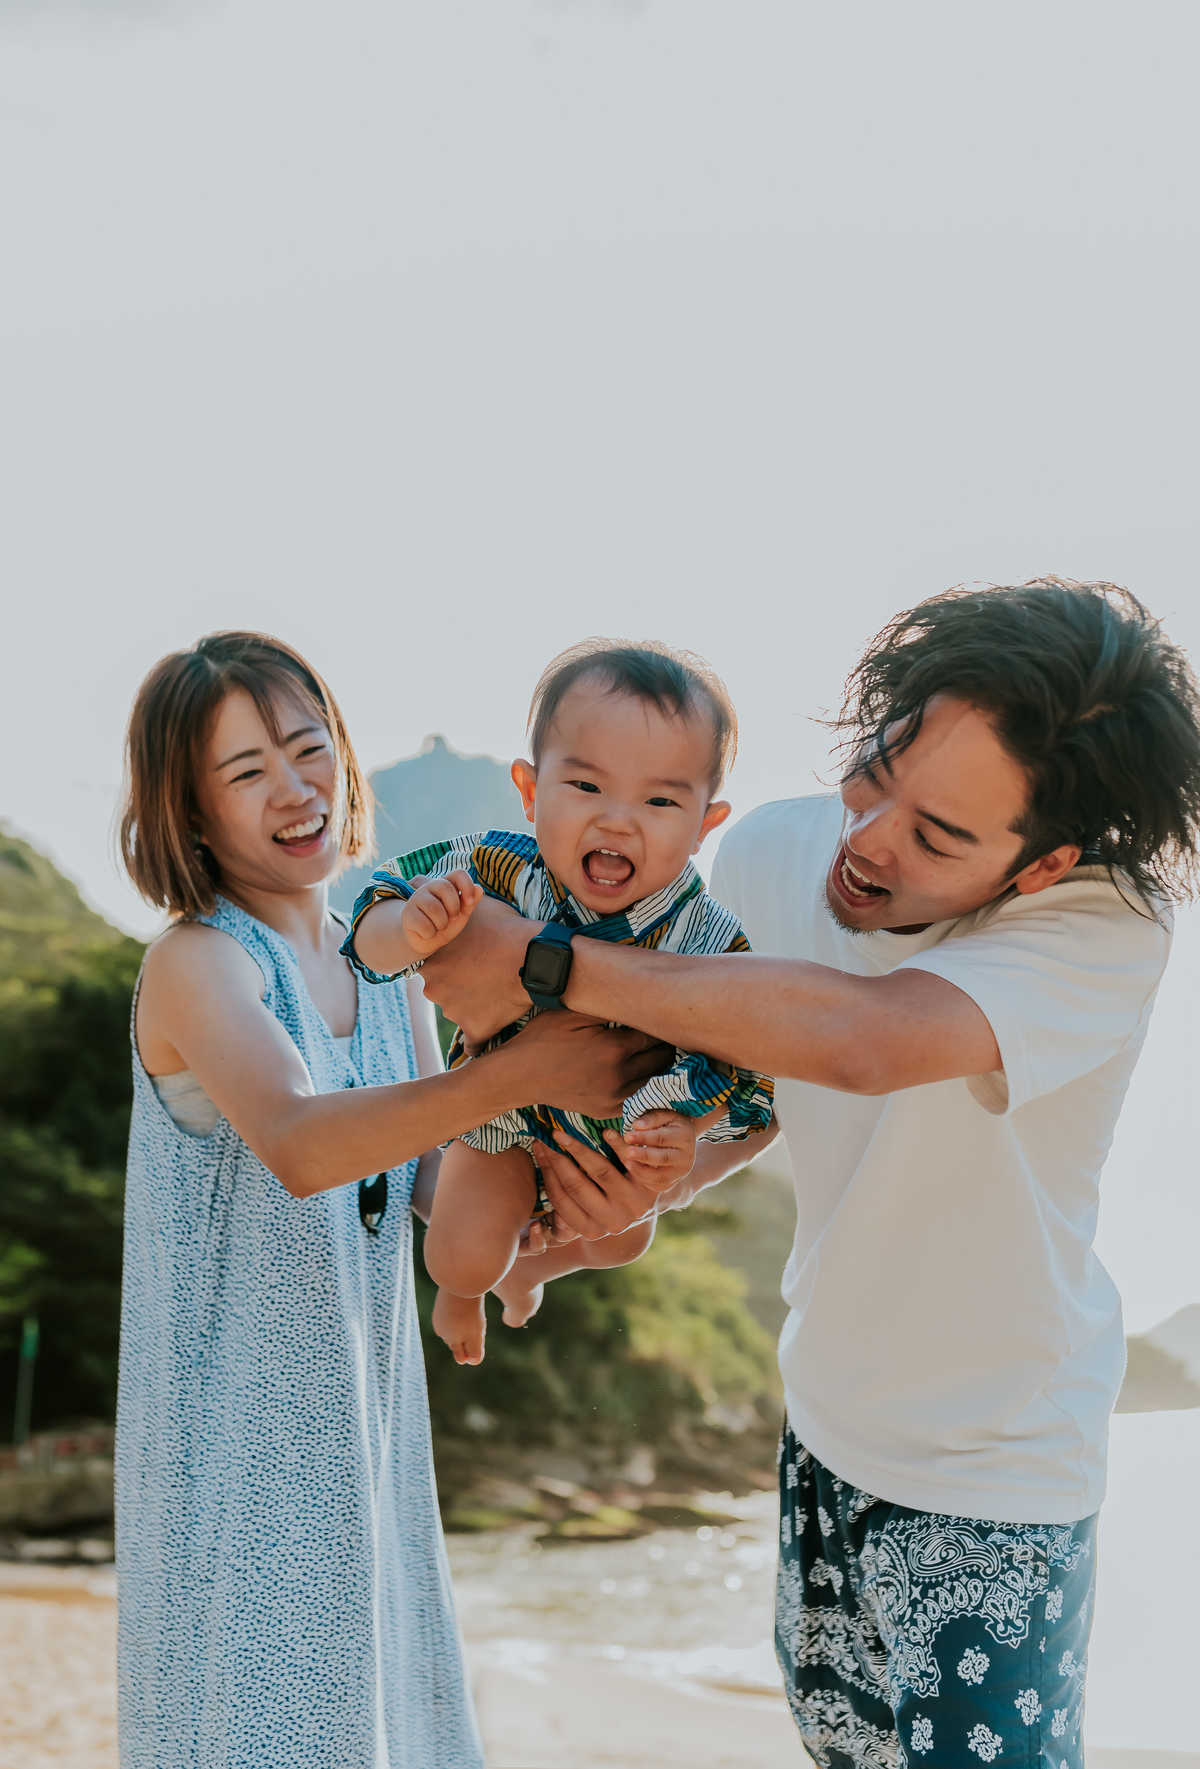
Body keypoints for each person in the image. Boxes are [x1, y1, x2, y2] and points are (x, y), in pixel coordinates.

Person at [411, 581, 1200, 1769]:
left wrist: (539, 963)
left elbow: (863, 1041)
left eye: (937, 835)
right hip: (821, 1434)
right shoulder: (778, 849)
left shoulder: (1103, 929)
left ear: (1041, 866)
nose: (868, 840)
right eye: (877, 771)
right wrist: (649, 1185)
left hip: (997, 1480)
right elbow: (753, 1089)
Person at [115, 630, 665, 1769]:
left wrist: (563, 1212)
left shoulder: (386, 953)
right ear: (190, 811)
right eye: (246, 771)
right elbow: (305, 1144)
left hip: (361, 1455)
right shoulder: (196, 964)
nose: (294, 787)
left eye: (308, 748)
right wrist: (520, 1072)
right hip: (241, 1466)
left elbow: (428, 1179)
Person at [342, 639, 774, 1365]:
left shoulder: (709, 941)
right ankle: (473, 1289)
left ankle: (538, 1265)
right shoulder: (496, 867)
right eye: (586, 787)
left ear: (706, 822)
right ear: (531, 789)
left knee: (628, 1235)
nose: (617, 820)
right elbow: (374, 912)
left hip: (611, 1141)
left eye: (661, 800)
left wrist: (688, 1133)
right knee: (458, 1253)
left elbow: (745, 1065)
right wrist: (409, 927)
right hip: (500, 1113)